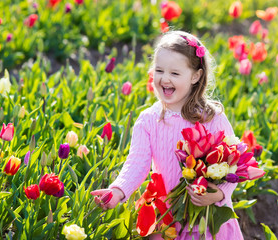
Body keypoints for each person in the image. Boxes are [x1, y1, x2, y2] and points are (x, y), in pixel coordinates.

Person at [91, 30, 244, 240]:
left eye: (174, 73)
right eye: (159, 70)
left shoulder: (211, 118)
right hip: (166, 217)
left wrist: (218, 194)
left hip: (207, 218)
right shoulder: (148, 120)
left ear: (195, 76)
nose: (165, 78)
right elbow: (137, 163)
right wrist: (118, 191)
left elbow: (233, 162)